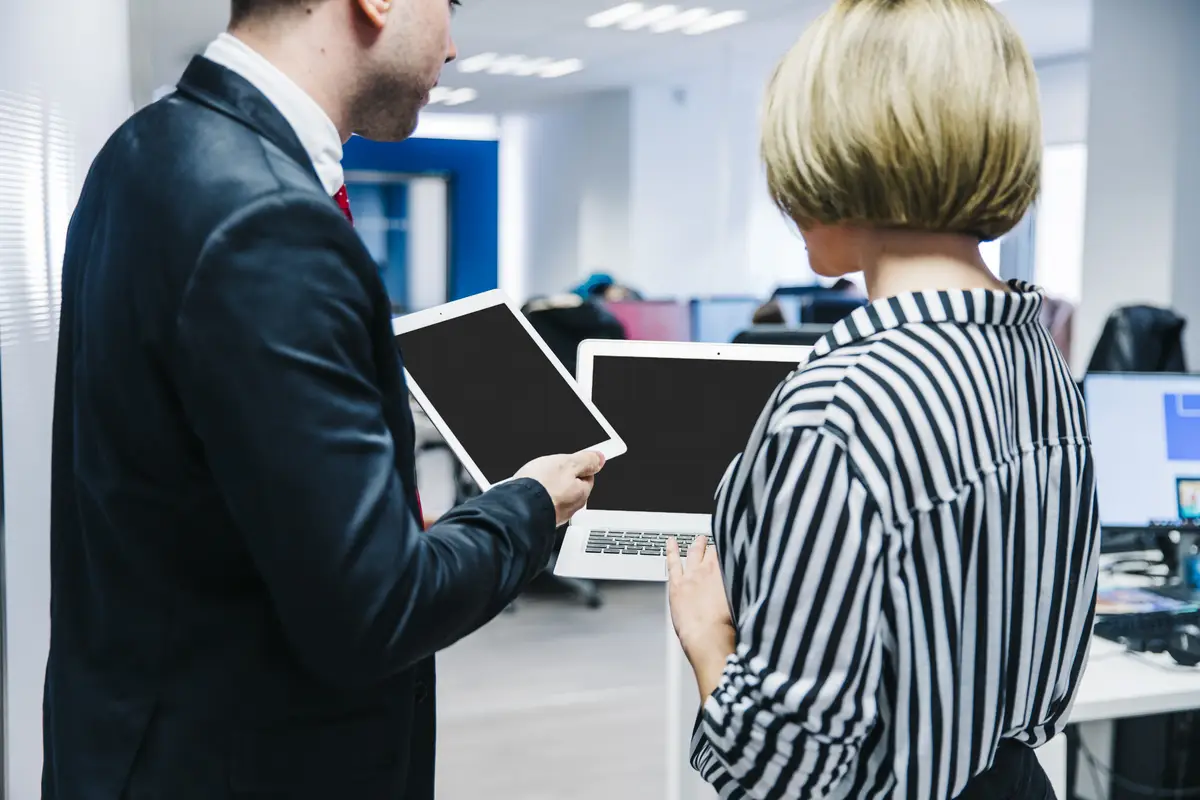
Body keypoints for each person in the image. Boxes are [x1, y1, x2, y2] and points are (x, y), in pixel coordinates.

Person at [43, 1, 604, 798]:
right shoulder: (267, 219)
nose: (453, 47)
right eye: (446, 8)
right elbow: (380, 608)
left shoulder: (143, 151)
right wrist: (527, 505)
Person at [665, 1, 1099, 798]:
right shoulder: (1043, 362)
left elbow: (784, 772)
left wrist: (708, 639)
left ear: (842, 161)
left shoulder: (839, 409)